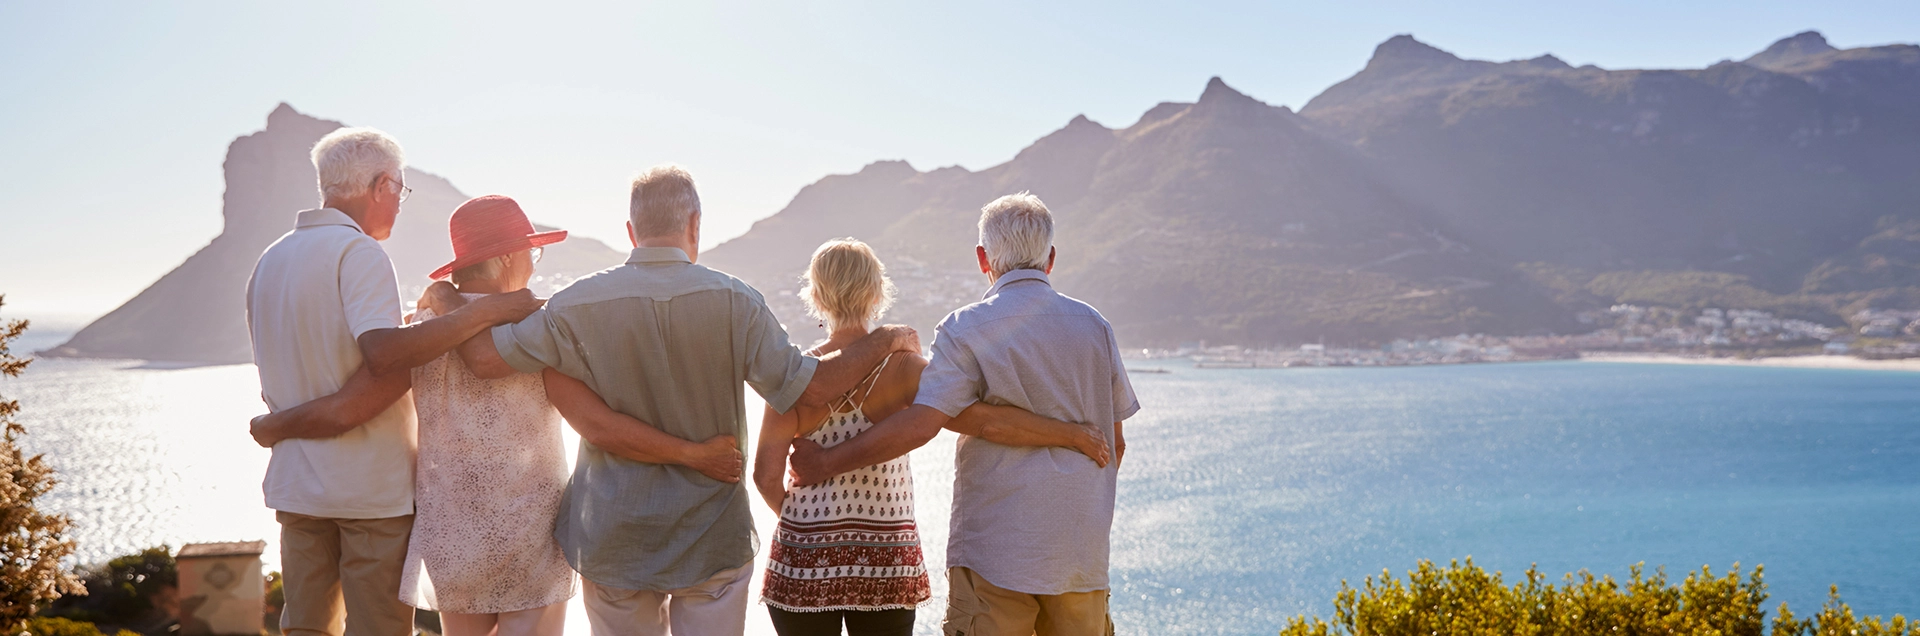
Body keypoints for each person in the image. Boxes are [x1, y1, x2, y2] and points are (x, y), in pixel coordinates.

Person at [427, 165, 922, 636]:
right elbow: (810, 387)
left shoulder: (575, 304)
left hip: (612, 537)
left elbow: (486, 360)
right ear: (695, 224)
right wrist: (888, 338)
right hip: (712, 536)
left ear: (630, 229)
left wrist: (450, 302)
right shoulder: (737, 301)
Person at [790, 193, 1140, 636]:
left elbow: (922, 423)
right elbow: (1116, 441)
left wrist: (826, 463)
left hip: (996, 550)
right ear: (1050, 258)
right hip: (1080, 553)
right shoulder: (1096, 326)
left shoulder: (966, 327)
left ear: (983, 258)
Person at [245, 128, 544, 636]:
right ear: (381, 185)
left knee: (305, 629)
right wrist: (488, 309)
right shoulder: (358, 253)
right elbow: (382, 358)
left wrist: (276, 425)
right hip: (368, 492)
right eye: (400, 190)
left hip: (296, 485)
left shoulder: (268, 261)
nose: (400, 204)